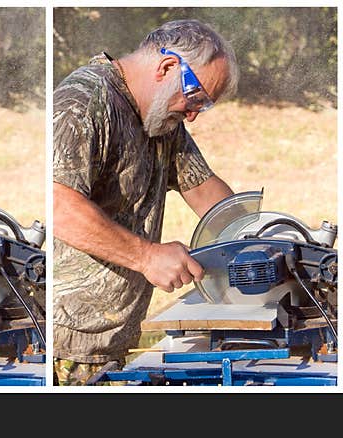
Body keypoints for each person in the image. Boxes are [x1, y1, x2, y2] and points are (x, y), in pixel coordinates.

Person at [52, 19, 240, 385]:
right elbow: (58, 203)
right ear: (168, 67)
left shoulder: (161, 120)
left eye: (204, 105)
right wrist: (147, 256)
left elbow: (206, 192)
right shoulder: (84, 102)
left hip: (112, 343)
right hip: (65, 348)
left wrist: (262, 239)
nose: (193, 114)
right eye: (196, 97)